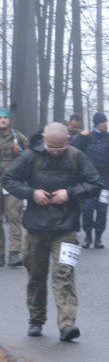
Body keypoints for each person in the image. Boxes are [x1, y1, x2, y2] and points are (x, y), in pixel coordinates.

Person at [2, 123, 101, 340]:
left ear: (68, 139)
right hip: (37, 227)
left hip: (66, 227)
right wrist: (31, 193)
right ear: (44, 139)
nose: (55, 152)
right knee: (36, 275)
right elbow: (8, 179)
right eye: (51, 148)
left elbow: (94, 183)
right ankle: (36, 319)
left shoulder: (77, 156)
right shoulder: (30, 156)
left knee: (64, 274)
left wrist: (70, 192)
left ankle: (67, 324)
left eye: (60, 148)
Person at [70, 113, 109, 249]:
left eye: (106, 122)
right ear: (96, 123)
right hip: (88, 179)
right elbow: (72, 148)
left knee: (102, 209)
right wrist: (80, 136)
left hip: (104, 179)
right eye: (103, 122)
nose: (106, 124)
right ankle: (88, 235)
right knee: (88, 208)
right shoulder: (86, 137)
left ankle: (98, 238)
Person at [0, 108, 29, 267]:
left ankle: (14, 253)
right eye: (0, 118)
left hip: (13, 182)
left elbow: (29, 156)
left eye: (5, 118)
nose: (3, 120)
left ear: (9, 120)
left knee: (14, 217)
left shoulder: (17, 137)